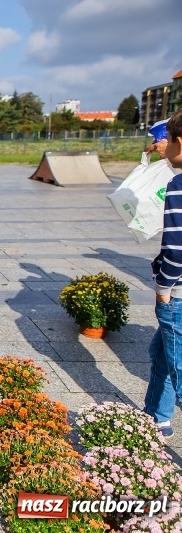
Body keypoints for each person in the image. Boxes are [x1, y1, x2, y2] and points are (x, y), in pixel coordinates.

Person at [144, 110, 182, 439]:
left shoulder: (178, 185)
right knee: (161, 353)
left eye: (166, 141)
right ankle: (157, 417)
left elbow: (177, 248)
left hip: (178, 293)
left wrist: (164, 286)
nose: (162, 147)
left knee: (178, 365)